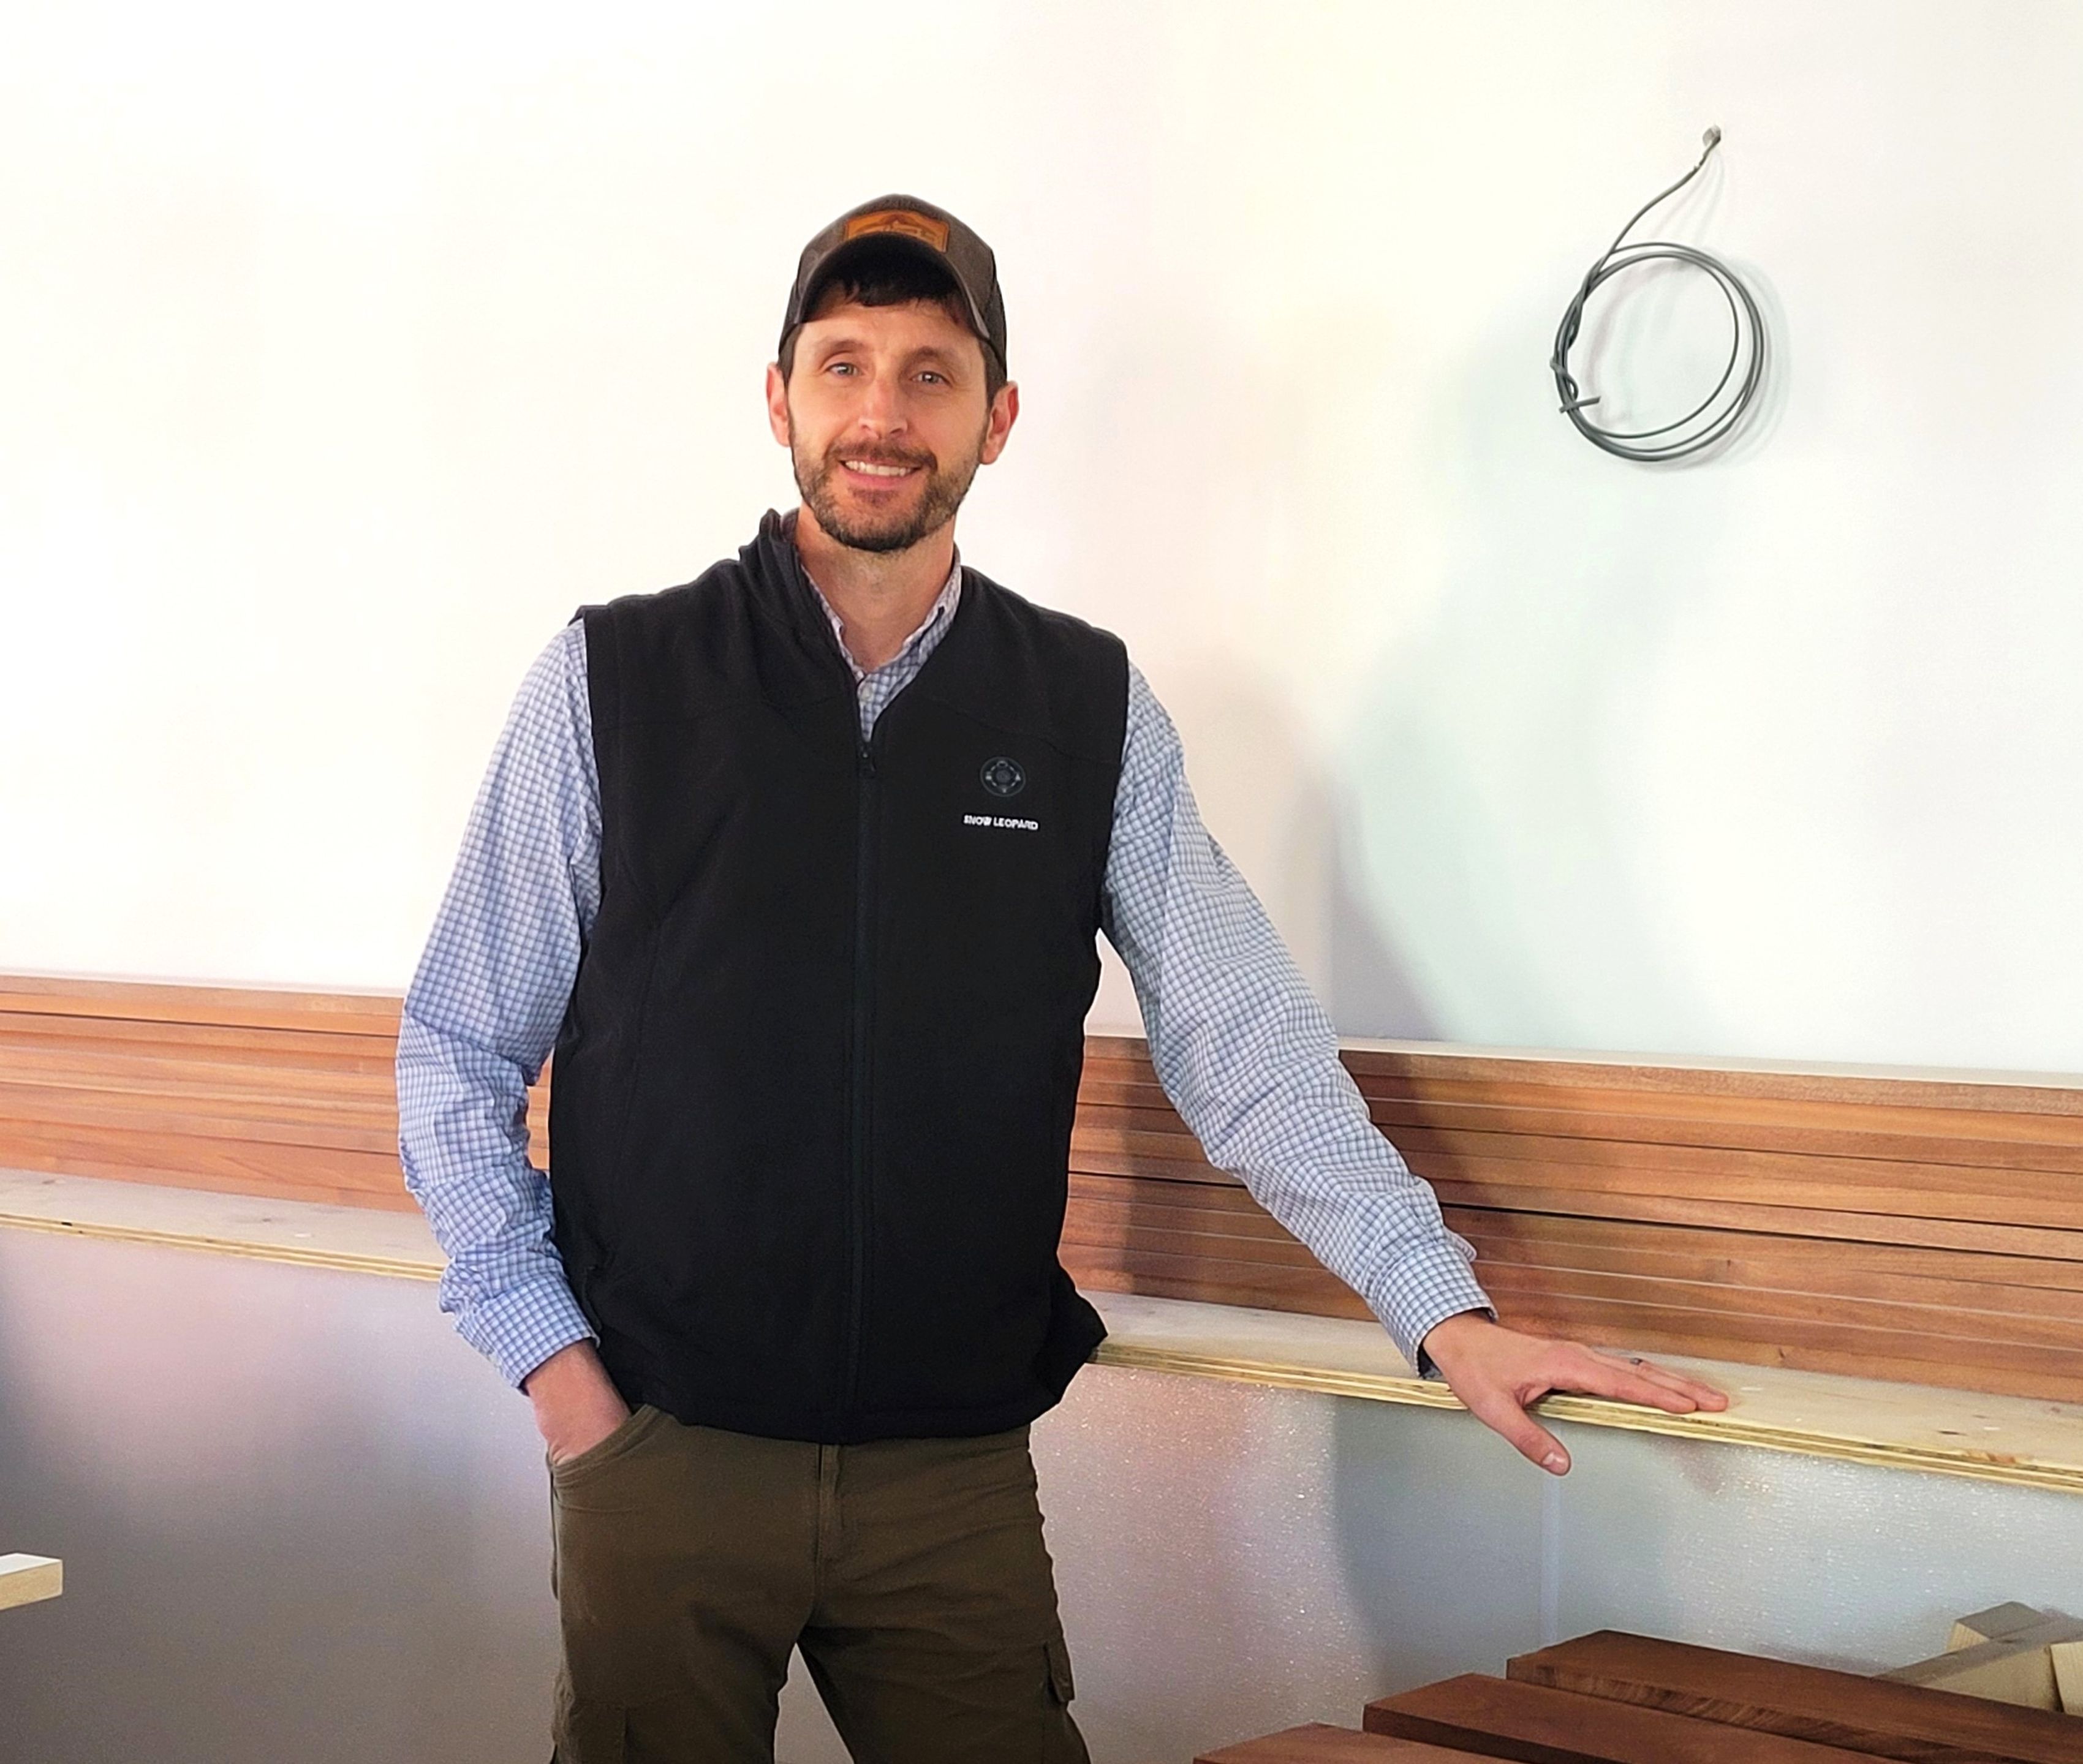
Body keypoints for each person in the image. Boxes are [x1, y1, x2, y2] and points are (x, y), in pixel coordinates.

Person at [396, 192, 1727, 1764]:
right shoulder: (614, 679)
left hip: (950, 1481)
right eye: (843, 366)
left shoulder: (1083, 705)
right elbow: (456, 1050)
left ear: (998, 419)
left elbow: (1246, 1048)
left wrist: (1443, 1314)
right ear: (780, 400)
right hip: (667, 1454)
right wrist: (564, 1382)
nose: (883, 414)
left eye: (933, 372)